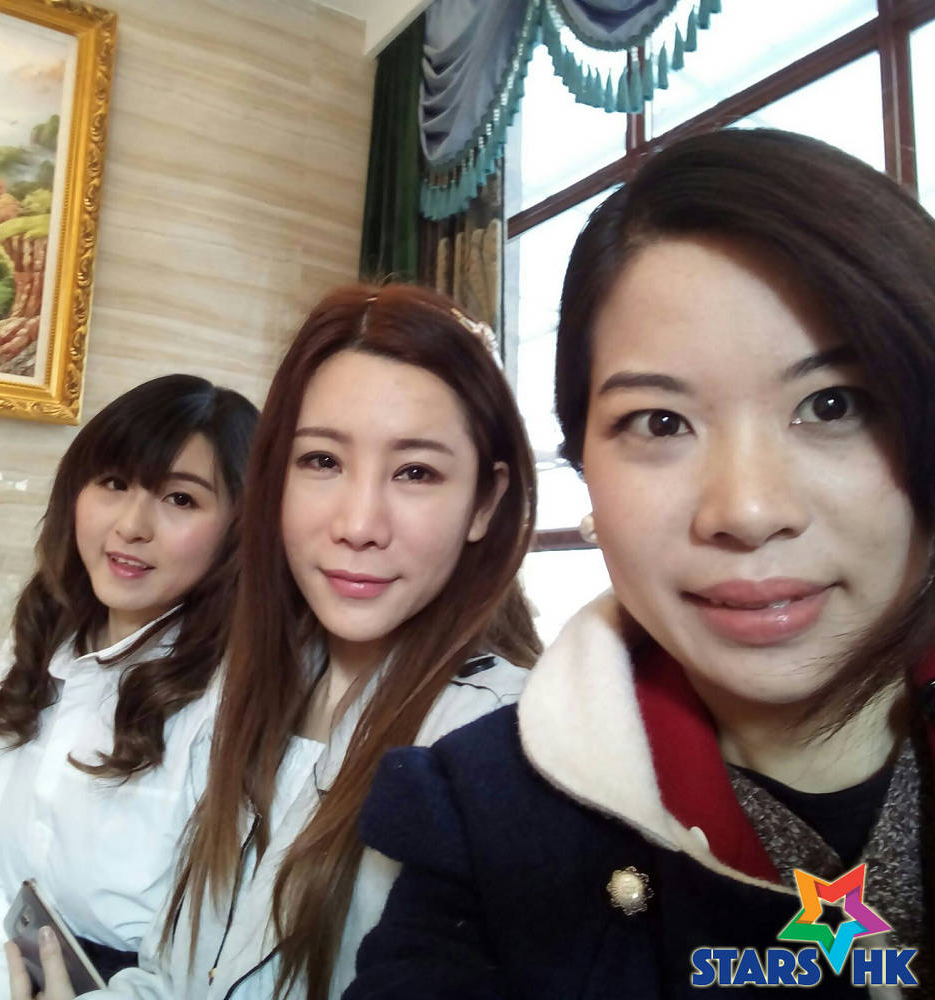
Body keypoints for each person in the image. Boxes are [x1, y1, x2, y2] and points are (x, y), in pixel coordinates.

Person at [343, 128, 935, 998]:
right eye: (660, 423)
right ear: (584, 468)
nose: (747, 511)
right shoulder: (481, 812)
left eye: (833, 405)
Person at [31, 284, 539, 1000]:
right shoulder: (251, 685)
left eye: (416, 472)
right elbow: (175, 975)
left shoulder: (500, 751)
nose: (358, 524)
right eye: (322, 462)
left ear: (484, 502)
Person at [0, 374, 258, 999]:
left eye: (181, 499)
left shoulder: (236, 695)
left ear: (239, 528)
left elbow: (217, 958)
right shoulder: (38, 641)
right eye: (113, 483)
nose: (132, 525)